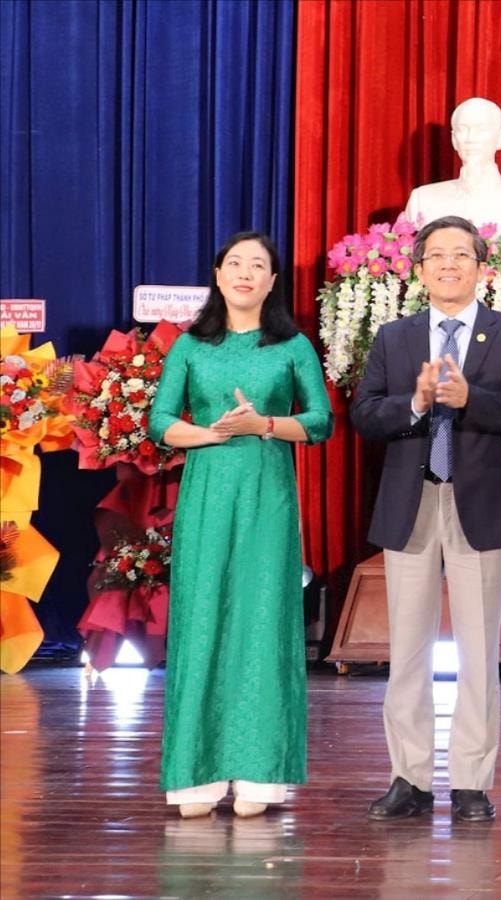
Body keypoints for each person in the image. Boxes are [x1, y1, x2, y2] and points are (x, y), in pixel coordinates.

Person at [351, 215, 501, 823]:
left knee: (478, 648)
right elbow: (365, 414)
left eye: (460, 255)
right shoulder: (395, 335)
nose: (448, 265)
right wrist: (414, 402)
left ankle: (471, 782)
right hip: (411, 503)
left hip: (479, 503)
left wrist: (471, 402)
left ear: (481, 267)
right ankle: (408, 778)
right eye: (436, 255)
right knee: (405, 648)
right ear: (419, 269)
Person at [151, 230, 332, 817]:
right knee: (201, 615)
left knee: (261, 619)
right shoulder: (191, 346)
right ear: (218, 273)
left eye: (259, 265)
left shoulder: (291, 345)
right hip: (207, 492)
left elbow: (322, 420)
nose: (246, 273)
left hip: (267, 496)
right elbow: (158, 420)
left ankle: (259, 771)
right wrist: (212, 432)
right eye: (236, 263)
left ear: (274, 281)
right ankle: (195, 773)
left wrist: (264, 426)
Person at [404, 98, 501, 233]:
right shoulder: (423, 199)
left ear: (500, 138)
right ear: (454, 140)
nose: (470, 139)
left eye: (481, 129)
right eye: (462, 130)